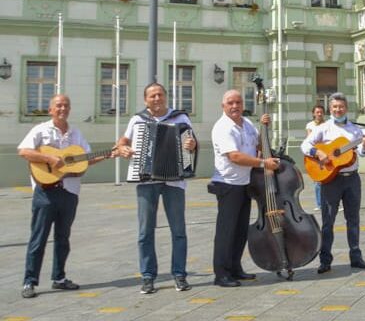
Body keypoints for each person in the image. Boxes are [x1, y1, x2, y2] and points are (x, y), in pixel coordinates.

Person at [18, 94, 117, 299]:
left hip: (70, 192)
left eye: (66, 106)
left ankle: (59, 278)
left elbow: (85, 159)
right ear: (50, 109)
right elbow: (24, 151)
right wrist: (49, 158)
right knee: (39, 237)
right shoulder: (41, 130)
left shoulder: (75, 134)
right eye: (58, 105)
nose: (63, 109)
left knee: (63, 238)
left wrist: (108, 154)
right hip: (45, 192)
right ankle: (29, 281)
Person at [117, 83, 197, 294]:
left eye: (160, 95)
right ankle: (147, 276)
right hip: (146, 179)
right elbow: (124, 140)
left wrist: (191, 145)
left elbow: (192, 142)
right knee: (145, 232)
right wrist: (123, 147)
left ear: (165, 97)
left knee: (178, 230)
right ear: (146, 100)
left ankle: (179, 275)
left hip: (175, 181)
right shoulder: (138, 120)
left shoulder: (180, 118)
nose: (157, 98)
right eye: (152, 96)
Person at [209, 90, 279, 287]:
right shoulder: (223, 127)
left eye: (238, 102)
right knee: (226, 231)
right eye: (230, 103)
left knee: (240, 230)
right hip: (228, 184)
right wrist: (263, 163)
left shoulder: (247, 123)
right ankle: (221, 274)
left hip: (244, 183)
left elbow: (258, 143)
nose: (235, 106)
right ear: (223, 106)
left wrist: (264, 127)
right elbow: (235, 157)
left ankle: (235, 268)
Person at [300, 93, 365, 274]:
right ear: (330, 109)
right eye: (334, 107)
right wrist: (318, 152)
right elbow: (305, 145)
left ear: (346, 108)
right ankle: (325, 260)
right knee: (328, 221)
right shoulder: (323, 128)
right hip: (331, 180)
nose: (338, 109)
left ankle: (356, 257)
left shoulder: (356, 130)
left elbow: (362, 154)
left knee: (353, 219)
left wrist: (364, 145)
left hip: (352, 179)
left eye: (341, 106)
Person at [305, 105, 326, 211]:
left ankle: (331, 202)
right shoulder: (310, 125)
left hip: (327, 153)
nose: (319, 114)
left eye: (321, 112)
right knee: (317, 181)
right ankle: (320, 204)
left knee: (330, 179)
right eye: (317, 112)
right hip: (315, 154)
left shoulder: (328, 124)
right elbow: (310, 140)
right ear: (313, 114)